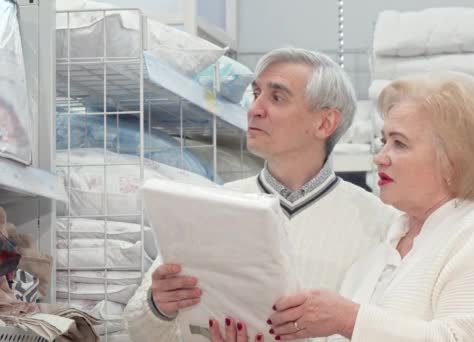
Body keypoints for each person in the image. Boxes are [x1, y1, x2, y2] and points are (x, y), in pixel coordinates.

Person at [213, 72, 474, 341]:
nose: (380, 156)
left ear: (452, 161)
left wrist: (349, 319)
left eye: (399, 143)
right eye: (383, 141)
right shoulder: (376, 257)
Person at [123, 47, 401, 341]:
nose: (255, 108)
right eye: (256, 93)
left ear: (324, 123)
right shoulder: (209, 206)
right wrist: (159, 305)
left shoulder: (382, 224)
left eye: (277, 97)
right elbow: (137, 328)